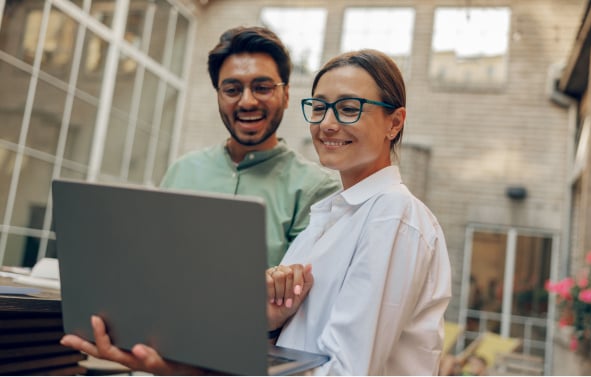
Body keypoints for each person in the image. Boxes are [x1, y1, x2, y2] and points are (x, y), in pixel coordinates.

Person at [61, 49, 452, 375]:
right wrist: (267, 324)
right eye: (319, 108)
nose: (328, 124)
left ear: (394, 122)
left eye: (349, 108)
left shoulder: (393, 216)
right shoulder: (328, 219)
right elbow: (295, 355)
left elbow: (345, 370)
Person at [160, 26, 341, 267]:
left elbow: (308, 293)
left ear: (286, 95)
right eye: (232, 90)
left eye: (262, 88)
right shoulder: (181, 171)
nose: (247, 102)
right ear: (218, 96)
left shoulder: (318, 191)